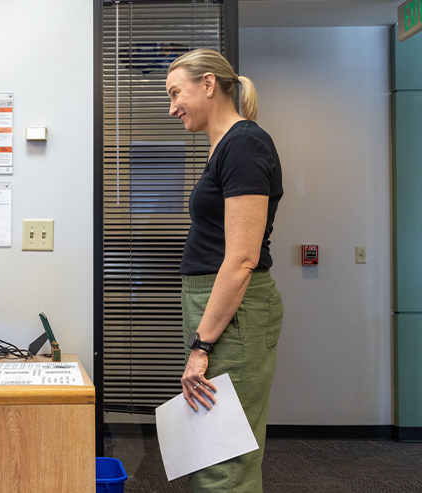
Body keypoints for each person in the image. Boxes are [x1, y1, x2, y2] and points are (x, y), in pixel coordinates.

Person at [165, 49, 284, 492]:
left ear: (209, 84)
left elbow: (241, 259)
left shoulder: (245, 144)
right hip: (215, 309)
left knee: (225, 460)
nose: (172, 105)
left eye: (177, 92)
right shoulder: (224, 147)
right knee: (209, 447)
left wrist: (201, 345)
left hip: (235, 315)